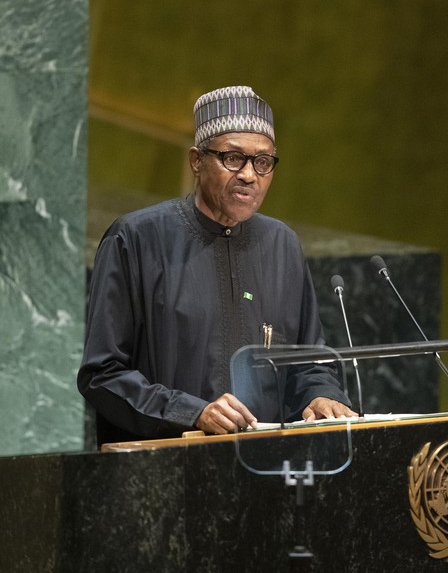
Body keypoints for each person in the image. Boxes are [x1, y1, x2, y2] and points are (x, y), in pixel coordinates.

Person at [78, 86, 356, 445]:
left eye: (263, 162)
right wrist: (192, 413)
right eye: (232, 158)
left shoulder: (281, 245)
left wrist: (319, 395)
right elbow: (102, 375)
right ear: (196, 160)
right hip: (166, 470)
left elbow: (308, 362)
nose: (249, 175)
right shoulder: (135, 239)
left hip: (262, 469)